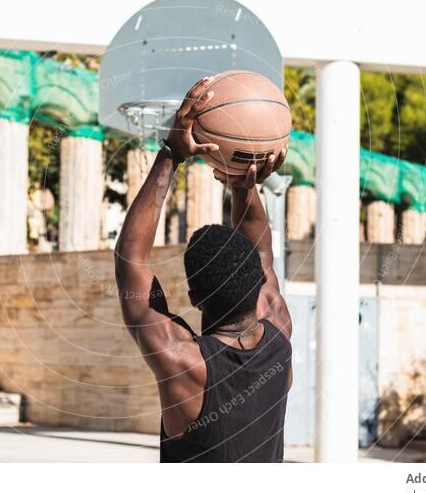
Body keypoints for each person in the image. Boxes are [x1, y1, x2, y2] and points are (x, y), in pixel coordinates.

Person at [114, 76, 293, 463]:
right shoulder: (280, 336)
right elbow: (262, 252)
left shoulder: (186, 364)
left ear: (194, 298)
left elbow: (131, 257)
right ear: (261, 287)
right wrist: (244, 185)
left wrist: (170, 155)